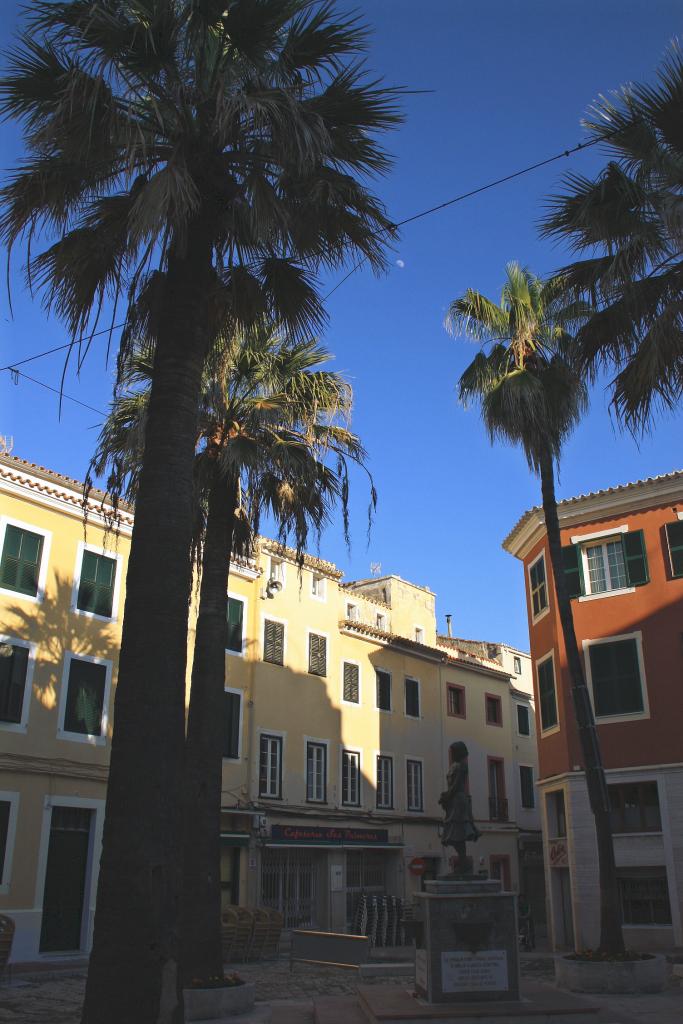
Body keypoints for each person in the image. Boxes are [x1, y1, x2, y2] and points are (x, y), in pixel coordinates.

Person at [439, 741, 481, 874]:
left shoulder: (462, 766)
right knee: (455, 834)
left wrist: (446, 796)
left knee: (459, 833)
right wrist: (446, 796)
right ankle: (463, 861)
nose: (451, 753)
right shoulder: (454, 766)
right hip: (453, 801)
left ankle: (464, 862)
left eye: (453, 751)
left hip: (458, 801)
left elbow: (456, 785)